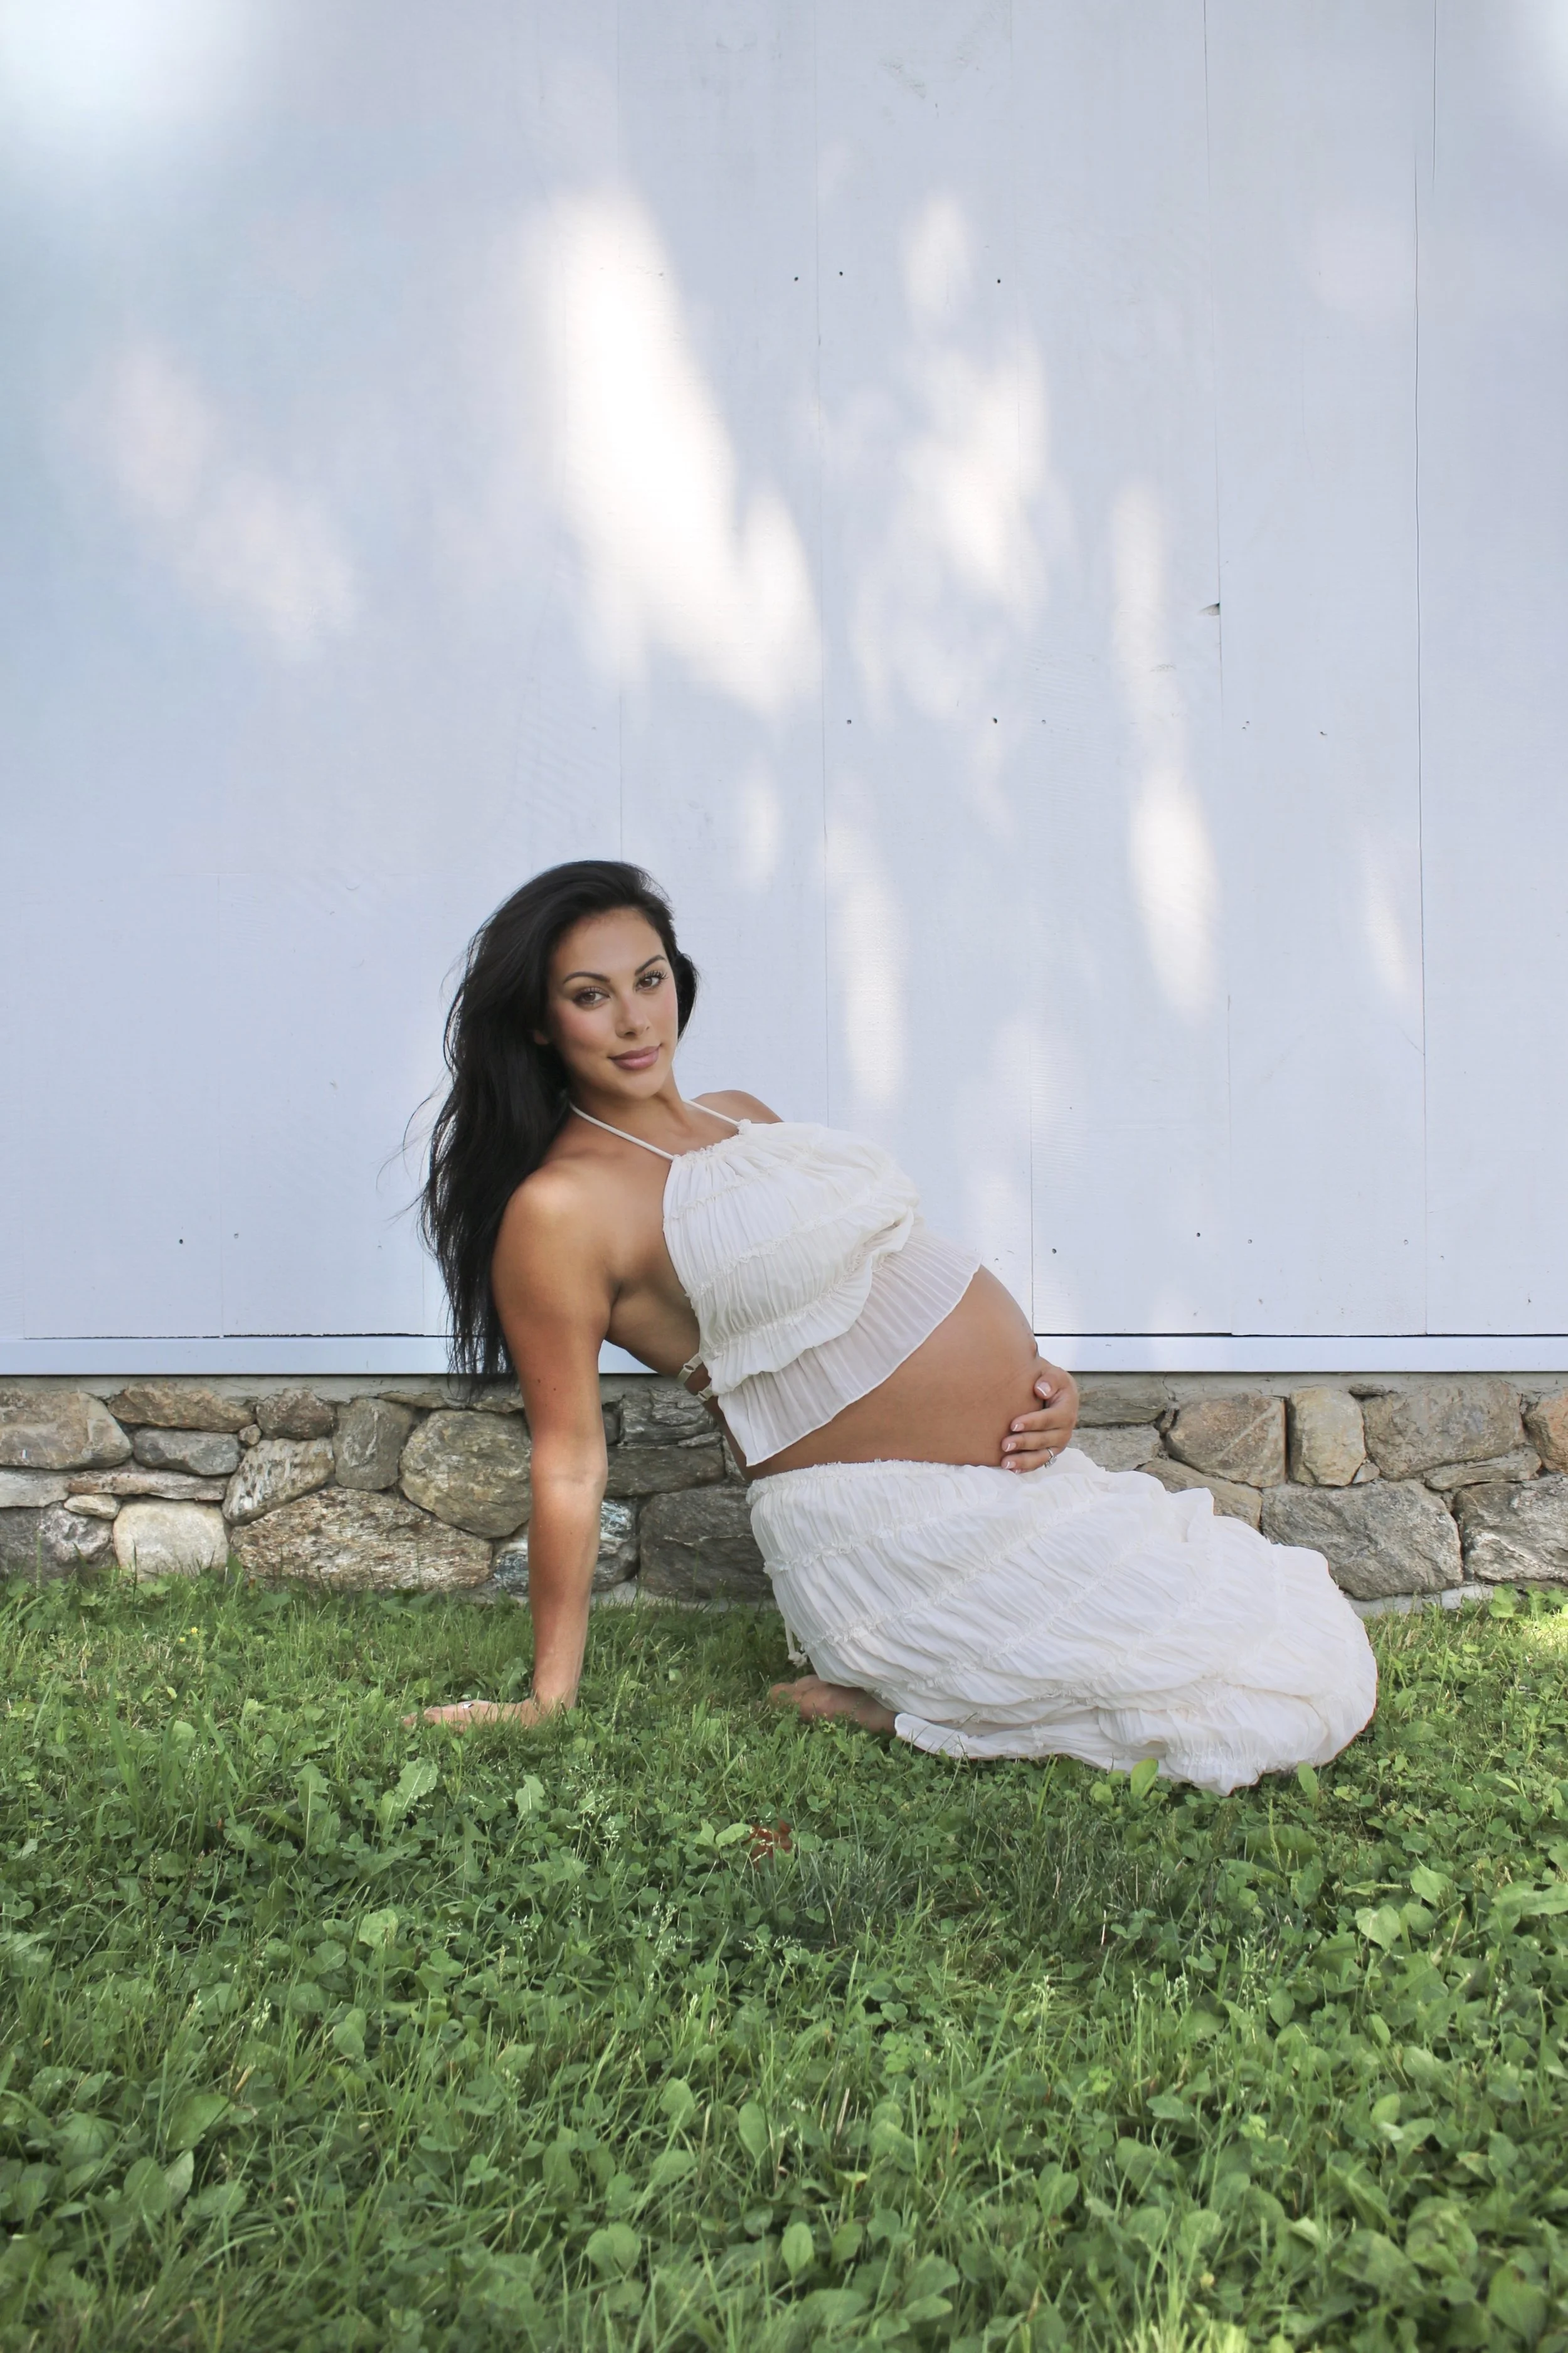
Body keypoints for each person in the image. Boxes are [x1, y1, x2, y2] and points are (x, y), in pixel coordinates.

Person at [416, 861, 1375, 1794]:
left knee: (1290, 1635)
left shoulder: (742, 1118)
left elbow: (879, 1278)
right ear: (540, 1025)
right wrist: (547, 1696)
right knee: (1266, 1702)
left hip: (1010, 1486)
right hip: (892, 1534)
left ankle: (932, 1689)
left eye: (650, 979)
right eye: (591, 995)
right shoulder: (561, 1209)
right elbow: (571, 1460)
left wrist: (1040, 1380)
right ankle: (914, 1692)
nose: (634, 1018)